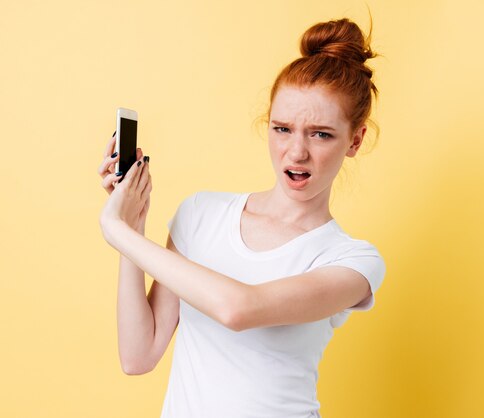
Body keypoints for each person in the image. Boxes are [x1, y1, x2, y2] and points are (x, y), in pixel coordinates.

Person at [98, 17, 386, 418]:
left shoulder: (352, 262)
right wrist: (131, 225)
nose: (296, 152)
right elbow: (138, 355)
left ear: (355, 140)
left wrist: (115, 231)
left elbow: (239, 309)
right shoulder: (201, 215)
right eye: (282, 128)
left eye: (321, 133)